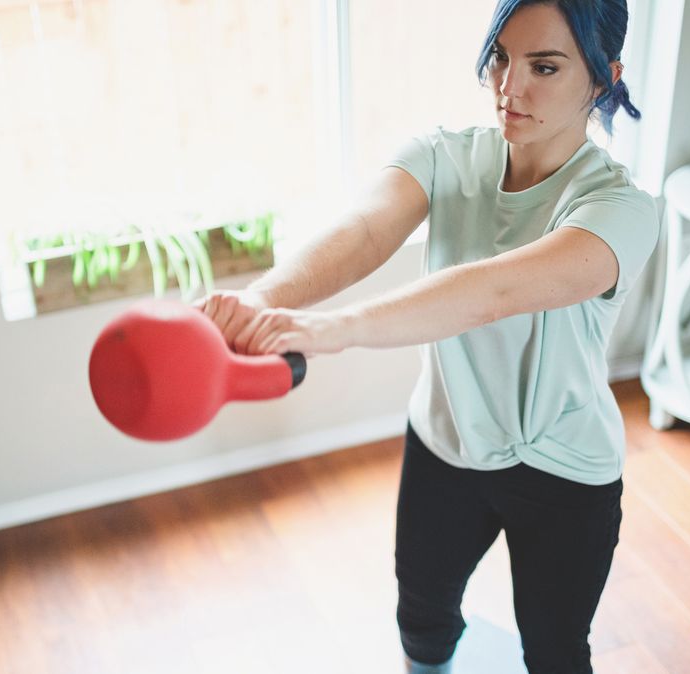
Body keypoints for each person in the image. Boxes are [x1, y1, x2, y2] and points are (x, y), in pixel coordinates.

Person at [195, 0, 657, 671]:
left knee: (555, 652)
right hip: (448, 442)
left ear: (604, 77)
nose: (509, 86)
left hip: (566, 470)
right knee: (423, 616)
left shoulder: (619, 209)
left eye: (545, 66)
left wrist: (332, 329)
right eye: (500, 57)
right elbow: (364, 230)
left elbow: (492, 292)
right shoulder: (444, 157)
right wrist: (258, 303)